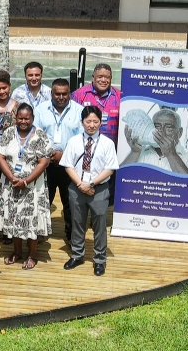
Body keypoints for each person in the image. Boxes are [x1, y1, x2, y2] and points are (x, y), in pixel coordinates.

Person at [60, 106, 119, 276]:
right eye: (88, 121)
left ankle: (100, 259)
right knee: (77, 223)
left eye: (95, 121)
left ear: (101, 123)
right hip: (77, 187)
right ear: (82, 122)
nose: (91, 125)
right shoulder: (74, 141)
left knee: (99, 225)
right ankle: (77, 255)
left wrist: (91, 184)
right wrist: (80, 185)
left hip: (99, 189)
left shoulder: (107, 143)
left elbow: (110, 169)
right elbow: (68, 165)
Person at [0, 103, 52, 270]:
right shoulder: (8, 133)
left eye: (27, 118)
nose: (23, 121)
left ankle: (32, 255)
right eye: (20, 118)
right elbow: (0, 155)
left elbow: (44, 162)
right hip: (10, 184)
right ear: (15, 118)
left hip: (33, 186)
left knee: (31, 220)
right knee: (14, 218)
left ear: (32, 118)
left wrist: (26, 180)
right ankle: (17, 251)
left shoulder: (40, 135)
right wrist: (12, 177)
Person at [33, 79, 84, 241]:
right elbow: (35, 135)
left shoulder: (79, 111)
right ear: (51, 93)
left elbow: (82, 139)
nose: (61, 97)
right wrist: (49, 154)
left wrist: (65, 155)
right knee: (43, 199)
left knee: (70, 202)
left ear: (69, 93)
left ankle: (71, 236)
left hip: (70, 165)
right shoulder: (40, 110)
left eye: (65, 94)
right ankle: (40, 233)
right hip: (46, 163)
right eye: (58, 94)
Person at [122, 108, 188, 174]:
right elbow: (121, 178)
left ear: (180, 132)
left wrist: (171, 154)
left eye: (169, 127)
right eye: (157, 126)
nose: (162, 132)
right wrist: (134, 152)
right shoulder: (139, 152)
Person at [71, 63, 122, 144]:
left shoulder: (119, 97)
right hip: (85, 146)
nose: (103, 80)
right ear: (93, 77)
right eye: (100, 77)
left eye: (107, 77)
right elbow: (71, 122)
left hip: (111, 148)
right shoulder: (79, 95)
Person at [0, 69, 17, 142]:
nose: (1, 91)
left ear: (9, 86)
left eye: (4, 88)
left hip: (10, 147)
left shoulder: (17, 107)